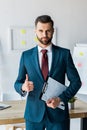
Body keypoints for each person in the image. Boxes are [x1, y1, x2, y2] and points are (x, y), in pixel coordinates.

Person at [14, 15, 81, 130]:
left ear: (53, 31)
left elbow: (76, 82)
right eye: (41, 31)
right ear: (35, 31)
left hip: (58, 115)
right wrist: (23, 87)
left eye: (48, 31)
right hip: (33, 115)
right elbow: (17, 83)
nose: (44, 35)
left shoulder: (64, 54)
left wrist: (60, 98)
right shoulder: (26, 56)